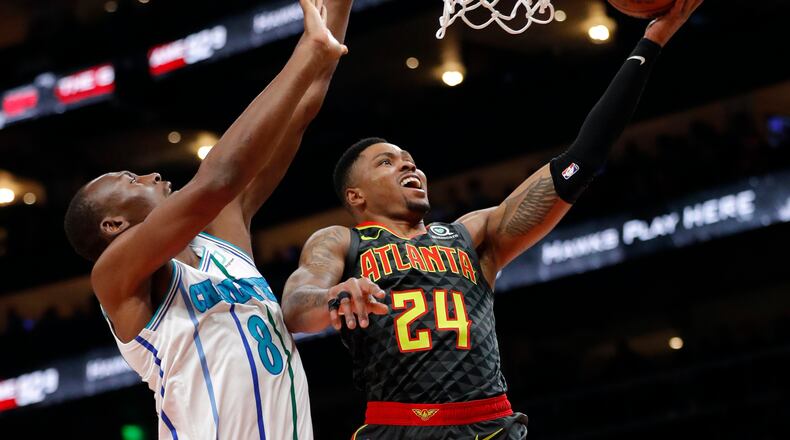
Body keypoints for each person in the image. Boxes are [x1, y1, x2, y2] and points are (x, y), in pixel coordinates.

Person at [280, 1, 704, 438]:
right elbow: (295, 307)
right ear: (356, 195)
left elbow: (581, 160)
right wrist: (333, 297)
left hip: (490, 426)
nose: (410, 167)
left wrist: (652, 41)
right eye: (387, 163)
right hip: (400, 429)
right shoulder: (342, 242)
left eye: (411, 160)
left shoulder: (472, 235)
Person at [62, 0, 351, 438]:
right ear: (113, 225)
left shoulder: (223, 240)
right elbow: (214, 182)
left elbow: (299, 113)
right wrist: (308, 52)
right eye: (130, 179)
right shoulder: (116, 277)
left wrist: (335, 17)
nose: (151, 174)